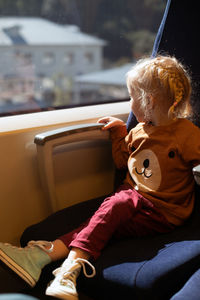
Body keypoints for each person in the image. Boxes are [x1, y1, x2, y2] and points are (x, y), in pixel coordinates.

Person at [1, 55, 200, 300]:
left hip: (163, 212)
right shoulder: (138, 131)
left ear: (148, 101)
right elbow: (122, 162)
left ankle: (67, 269)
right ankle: (39, 257)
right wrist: (119, 133)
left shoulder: (186, 134)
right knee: (100, 225)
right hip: (132, 202)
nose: (129, 104)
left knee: (115, 205)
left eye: (131, 97)